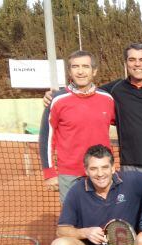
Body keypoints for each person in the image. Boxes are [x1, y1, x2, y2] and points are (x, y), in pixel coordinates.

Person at [44, 43, 142, 174]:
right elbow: (84, 89)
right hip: (128, 167)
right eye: (132, 60)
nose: (137, 64)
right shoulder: (113, 90)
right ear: (126, 63)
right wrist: (56, 94)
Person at [39, 50, 115, 203]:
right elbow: (46, 137)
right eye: (75, 67)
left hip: (101, 172)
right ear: (70, 71)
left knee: (102, 218)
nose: (80, 71)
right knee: (71, 222)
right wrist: (49, 172)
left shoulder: (108, 99)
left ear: (94, 71)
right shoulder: (56, 100)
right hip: (70, 175)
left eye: (85, 67)